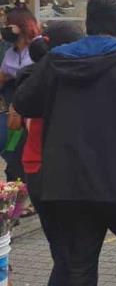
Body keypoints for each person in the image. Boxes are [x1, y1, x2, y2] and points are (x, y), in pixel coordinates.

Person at [15, 0, 116, 284]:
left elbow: (24, 103)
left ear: (88, 25)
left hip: (69, 188)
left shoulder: (56, 62)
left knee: (77, 269)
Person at [16, 21, 84, 284]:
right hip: (61, 172)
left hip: (36, 168)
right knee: (73, 258)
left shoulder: (30, 78)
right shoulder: (67, 78)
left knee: (64, 254)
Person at [0, 7, 40, 183]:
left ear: (21, 26)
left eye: (9, 25)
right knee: (12, 151)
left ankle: (22, 191)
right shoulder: (10, 52)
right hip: (14, 110)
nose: (5, 29)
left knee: (23, 152)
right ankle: (16, 191)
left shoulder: (38, 48)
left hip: (32, 111)